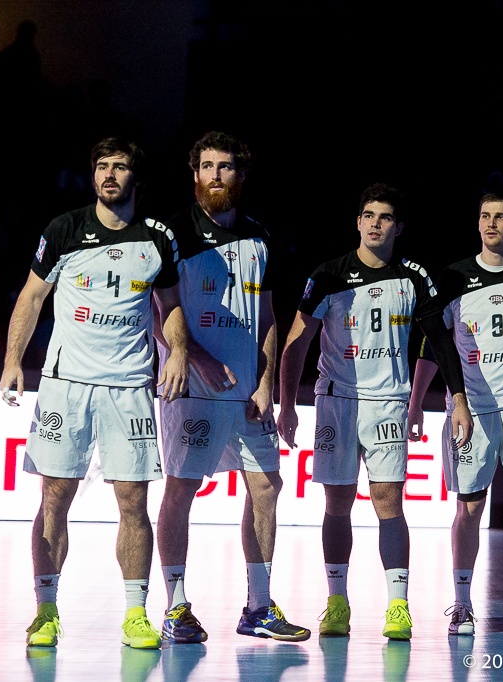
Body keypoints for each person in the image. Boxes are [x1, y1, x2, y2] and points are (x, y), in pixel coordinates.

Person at [0, 137, 189, 650]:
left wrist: (178, 351)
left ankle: (135, 614)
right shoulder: (63, 230)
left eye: (120, 166)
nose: (109, 174)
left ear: (136, 180)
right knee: (55, 495)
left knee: (133, 500)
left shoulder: (157, 238)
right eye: (102, 165)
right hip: (67, 385)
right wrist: (13, 360)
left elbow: (169, 305)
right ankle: (45, 610)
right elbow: (32, 295)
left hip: (128, 387)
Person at [277, 183, 474, 641]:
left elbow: (440, 340)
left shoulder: (413, 277)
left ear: (398, 227)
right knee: (337, 503)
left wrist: (457, 399)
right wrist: (288, 405)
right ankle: (337, 602)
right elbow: (296, 343)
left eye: (384, 217)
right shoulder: (328, 275)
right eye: (368, 215)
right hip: (337, 402)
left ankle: (398, 606)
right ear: (358, 222)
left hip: (388, 402)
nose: (375, 223)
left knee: (389, 502)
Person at [153, 131, 309, 643]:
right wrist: (188, 354)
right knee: (182, 488)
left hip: (246, 393)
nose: (216, 176)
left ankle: (258, 608)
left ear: (241, 176)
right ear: (193, 173)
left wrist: (265, 383)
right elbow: (158, 310)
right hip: (192, 385)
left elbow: (266, 315)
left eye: (226, 167)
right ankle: (176, 607)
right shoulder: (171, 233)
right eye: (207, 166)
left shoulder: (259, 237)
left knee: (267, 485)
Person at [408, 192, 503, 640]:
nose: (491, 224)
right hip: (471, 411)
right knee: (469, 509)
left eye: (501, 218)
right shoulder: (453, 278)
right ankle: (462, 603)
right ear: (478, 224)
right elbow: (432, 346)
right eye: (485, 217)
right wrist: (417, 402)